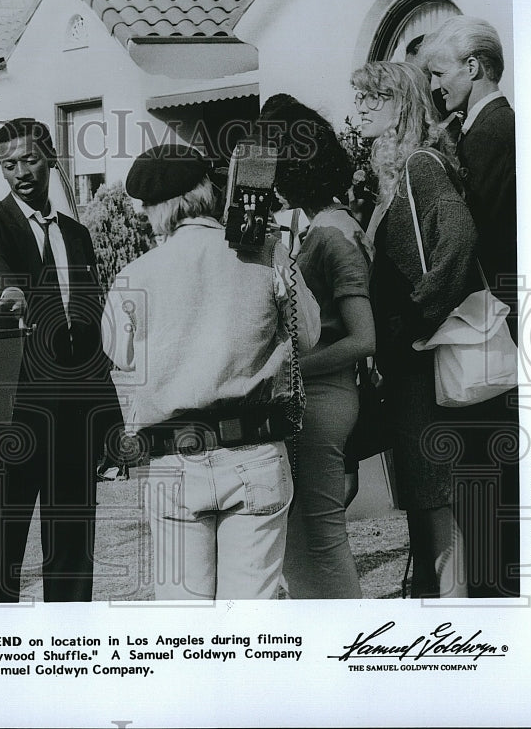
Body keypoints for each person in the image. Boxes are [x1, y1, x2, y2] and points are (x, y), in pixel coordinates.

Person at [102, 144, 320, 601]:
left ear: (155, 210)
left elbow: (118, 355)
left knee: (185, 626)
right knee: (250, 618)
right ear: (208, 190)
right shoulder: (265, 253)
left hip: (174, 458)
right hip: (255, 452)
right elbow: (309, 335)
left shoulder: (135, 275)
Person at [0, 118, 121, 602]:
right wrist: (5, 290)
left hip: (74, 414)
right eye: (8, 165)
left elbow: (89, 332)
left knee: (73, 555)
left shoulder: (77, 235)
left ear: (50, 156)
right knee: (1, 560)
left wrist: (108, 421)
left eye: (29, 160)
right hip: (12, 413)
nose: (20, 173)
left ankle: (67, 653)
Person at [351, 60, 481, 598]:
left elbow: (458, 238)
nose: (358, 109)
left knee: (434, 493)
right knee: (423, 492)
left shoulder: (420, 167)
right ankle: (439, 599)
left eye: (371, 99)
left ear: (399, 105)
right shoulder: (394, 173)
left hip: (423, 361)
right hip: (409, 366)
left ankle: (455, 610)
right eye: (358, 98)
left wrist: (415, 316)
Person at [418, 15, 520, 599]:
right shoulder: (483, 129)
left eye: (439, 72)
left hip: (489, 326)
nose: (435, 86)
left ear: (473, 68)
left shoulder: (491, 131)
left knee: (485, 472)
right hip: (491, 324)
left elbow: (472, 235)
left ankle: (492, 599)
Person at [259, 95, 374, 599]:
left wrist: (295, 368)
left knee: (322, 535)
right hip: (319, 395)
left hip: (324, 397)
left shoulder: (331, 232)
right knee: (308, 536)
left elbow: (364, 338)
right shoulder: (326, 223)